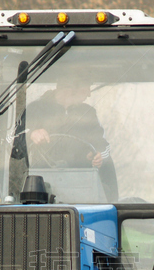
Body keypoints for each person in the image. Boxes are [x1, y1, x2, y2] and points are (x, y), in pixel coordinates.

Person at [9, 72, 118, 202]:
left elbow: (104, 147)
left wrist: (99, 156)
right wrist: (31, 134)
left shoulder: (88, 113)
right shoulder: (35, 109)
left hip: (82, 189)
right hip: (40, 188)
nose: (89, 94)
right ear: (70, 88)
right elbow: (10, 142)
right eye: (86, 88)